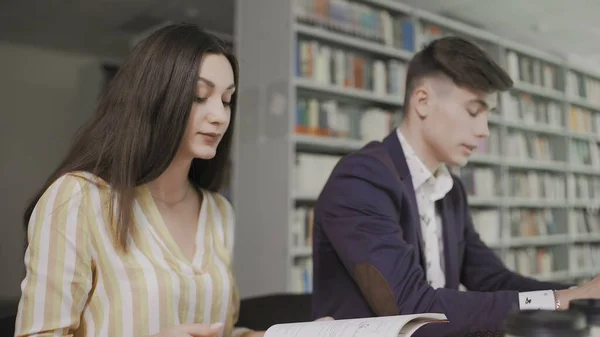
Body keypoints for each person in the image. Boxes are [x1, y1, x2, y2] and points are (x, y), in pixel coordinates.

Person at [311, 36, 600, 337]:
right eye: (474, 111)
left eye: (488, 115)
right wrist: (561, 301)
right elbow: (413, 310)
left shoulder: (452, 191)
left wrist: (579, 297)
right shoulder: (361, 180)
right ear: (422, 102)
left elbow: (492, 279)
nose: (484, 130)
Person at [14, 24, 264, 337]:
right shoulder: (78, 198)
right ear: (154, 99)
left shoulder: (218, 212)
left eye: (227, 100)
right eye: (200, 96)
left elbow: (219, 331)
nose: (220, 115)